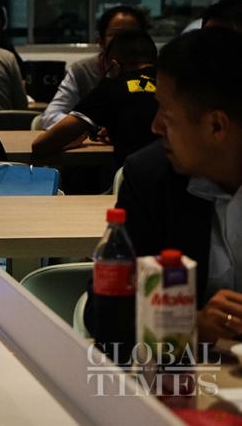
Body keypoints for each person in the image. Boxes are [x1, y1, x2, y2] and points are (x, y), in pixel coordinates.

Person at [85, 27, 242, 345]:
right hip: (193, 369)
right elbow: (105, 313)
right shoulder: (150, 178)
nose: (155, 126)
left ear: (216, 126)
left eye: (166, 115)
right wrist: (191, 324)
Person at [32, 29, 158, 165]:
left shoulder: (111, 87)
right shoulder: (171, 83)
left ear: (114, 66)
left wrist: (73, 140)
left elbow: (40, 145)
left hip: (136, 175)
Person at [41, 5, 147, 129]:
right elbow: (50, 117)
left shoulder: (157, 71)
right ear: (100, 41)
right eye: (116, 35)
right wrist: (94, 128)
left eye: (132, 35)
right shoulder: (82, 71)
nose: (125, 41)